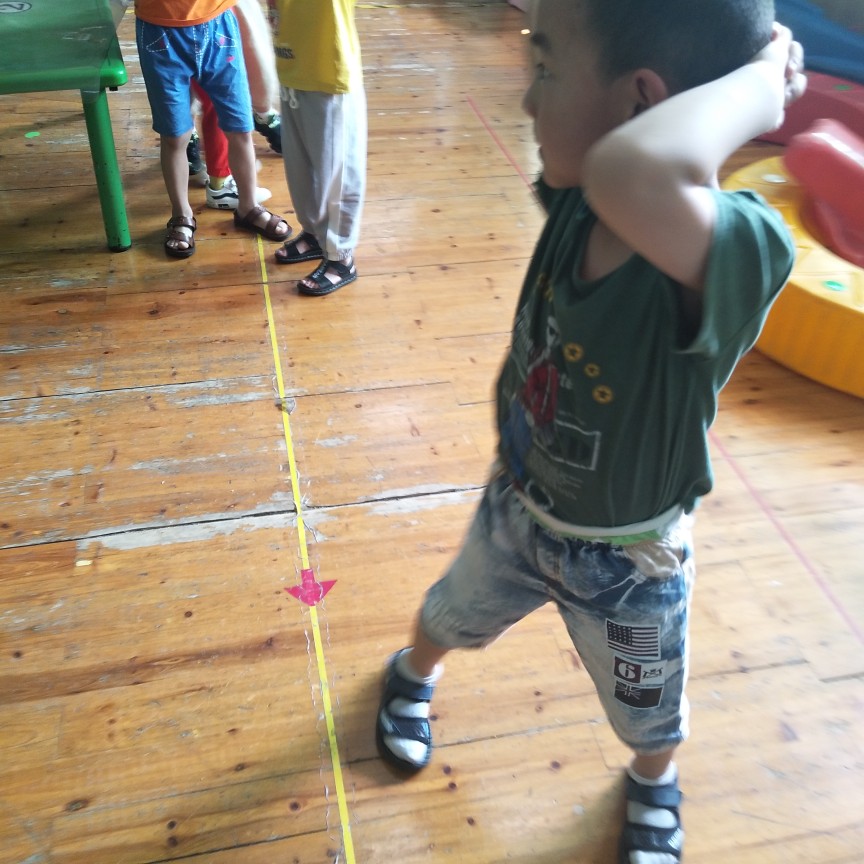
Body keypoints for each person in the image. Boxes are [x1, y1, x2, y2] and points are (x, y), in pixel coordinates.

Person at [374, 2, 806, 862]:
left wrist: (766, 87)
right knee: (452, 611)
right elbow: (621, 172)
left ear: (641, 102)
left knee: (650, 706)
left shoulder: (739, 246)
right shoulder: (580, 194)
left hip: (628, 563)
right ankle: (411, 672)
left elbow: (633, 171)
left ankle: (653, 779)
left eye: (544, 68)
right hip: (518, 507)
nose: (526, 100)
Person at [134, 0, 291, 258]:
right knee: (175, 135)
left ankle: (248, 206)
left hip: (217, 23)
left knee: (240, 127)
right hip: (160, 32)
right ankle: (181, 213)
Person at [269, 0, 367, 296]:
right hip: (291, 64)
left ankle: (341, 257)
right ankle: (314, 234)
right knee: (301, 167)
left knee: (338, 175)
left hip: (328, 71)